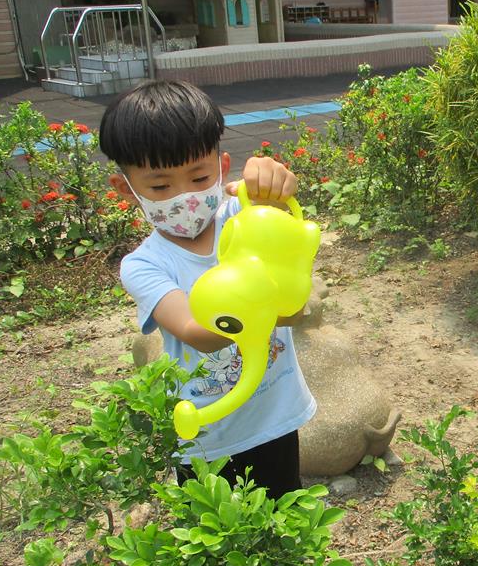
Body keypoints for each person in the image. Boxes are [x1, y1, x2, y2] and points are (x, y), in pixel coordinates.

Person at [100, 79, 316, 500]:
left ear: (221, 166)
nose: (184, 196)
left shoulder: (244, 216)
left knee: (284, 521)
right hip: (206, 436)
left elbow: (292, 280)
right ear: (126, 189)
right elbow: (196, 331)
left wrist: (274, 190)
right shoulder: (144, 265)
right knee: (215, 531)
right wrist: (267, 299)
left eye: (199, 177)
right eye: (160, 187)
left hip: (273, 417)